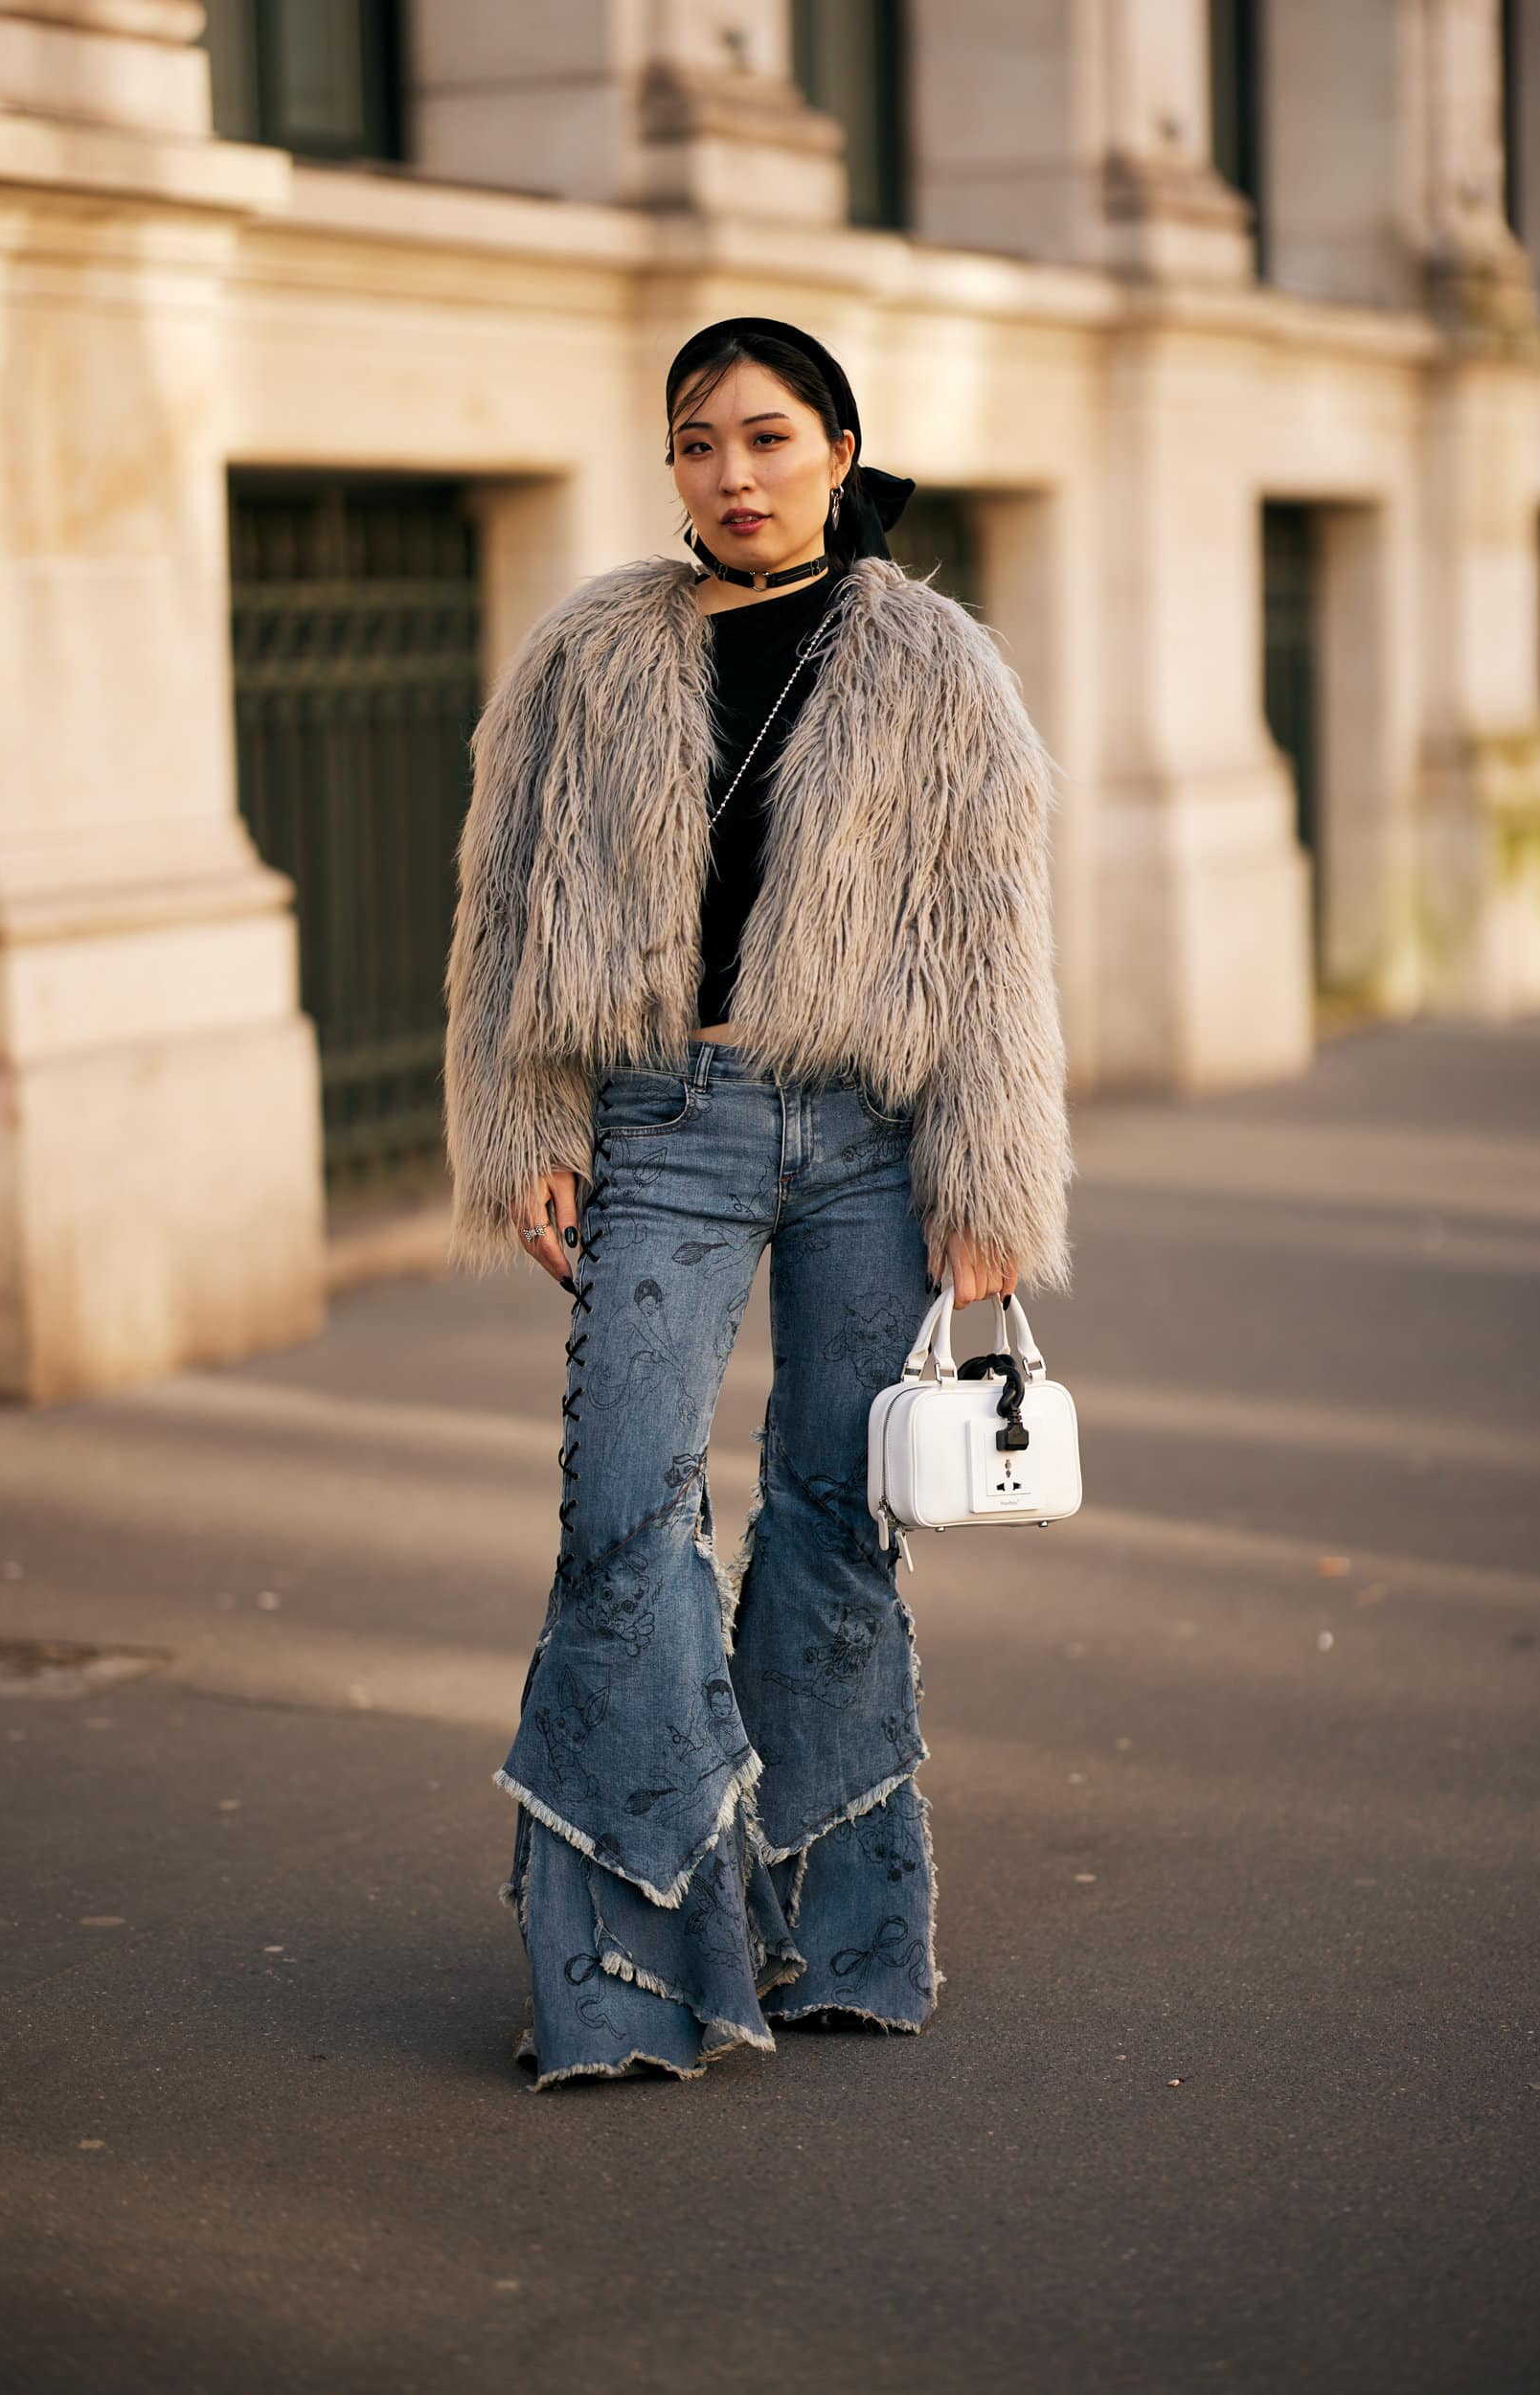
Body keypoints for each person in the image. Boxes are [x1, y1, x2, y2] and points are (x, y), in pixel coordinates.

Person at [443, 315, 1073, 2088]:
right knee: (623, 1512)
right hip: (667, 1118)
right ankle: (635, 1960)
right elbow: (508, 903)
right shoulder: (588, 652)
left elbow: (991, 941)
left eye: (770, 438)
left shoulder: (936, 662)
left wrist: (993, 1175)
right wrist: (525, 1118)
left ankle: (837, 1934)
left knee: (826, 1514)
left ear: (840, 452)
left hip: (876, 1136)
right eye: (699, 443)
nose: (732, 474)